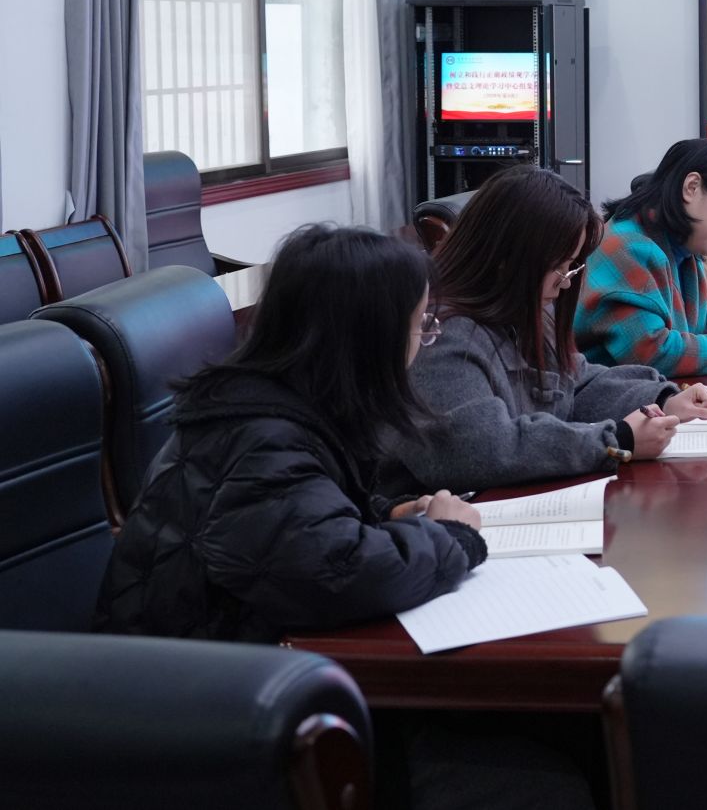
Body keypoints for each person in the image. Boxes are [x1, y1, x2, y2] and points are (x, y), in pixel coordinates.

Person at [96, 224, 483, 642]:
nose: (425, 338)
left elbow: (295, 516)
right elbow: (339, 574)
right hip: (185, 670)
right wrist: (450, 536)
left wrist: (384, 514)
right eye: (420, 324)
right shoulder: (262, 438)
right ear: (373, 339)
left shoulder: (277, 403)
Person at [384, 166, 707, 497]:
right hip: (440, 514)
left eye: (570, 267)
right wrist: (616, 441)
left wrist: (662, 400)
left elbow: (575, 382)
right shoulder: (438, 334)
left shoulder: (517, 311)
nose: (566, 283)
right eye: (559, 268)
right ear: (506, 258)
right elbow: (479, 450)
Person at [575, 138, 707, 376]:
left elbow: (695, 313)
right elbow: (654, 352)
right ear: (692, 187)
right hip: (613, 396)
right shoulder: (627, 249)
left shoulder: (680, 246)